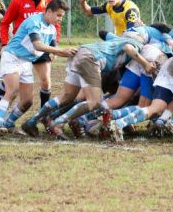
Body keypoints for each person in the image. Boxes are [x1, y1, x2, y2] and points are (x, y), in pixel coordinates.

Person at [21, 32, 155, 139]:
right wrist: (145, 64)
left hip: (80, 52)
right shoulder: (136, 43)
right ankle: (57, 123)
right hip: (91, 58)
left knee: (66, 97)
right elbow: (128, 48)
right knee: (94, 101)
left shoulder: (119, 38)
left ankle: (31, 122)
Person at [0, 0, 77, 138]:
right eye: (59, 15)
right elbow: (38, 45)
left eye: (62, 16)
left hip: (26, 61)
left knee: (27, 101)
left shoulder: (52, 29)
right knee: (12, 90)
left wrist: (73, 53)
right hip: (12, 56)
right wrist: (60, 51)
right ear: (49, 11)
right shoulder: (34, 22)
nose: (60, 19)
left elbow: (54, 48)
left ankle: (8, 124)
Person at [0, 0, 59, 125]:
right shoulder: (18, 1)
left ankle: (43, 115)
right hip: (21, 49)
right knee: (9, 85)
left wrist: (54, 45)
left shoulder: (50, 0)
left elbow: (56, 24)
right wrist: (4, 44)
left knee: (46, 82)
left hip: (41, 46)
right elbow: (5, 23)